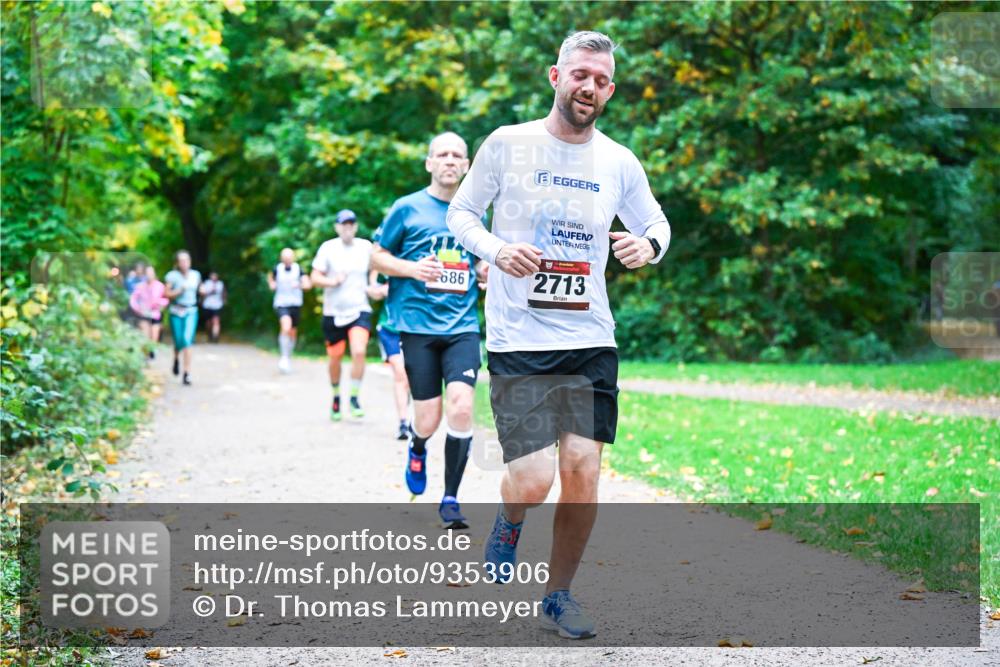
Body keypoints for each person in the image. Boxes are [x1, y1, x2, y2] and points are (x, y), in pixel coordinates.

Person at [447, 31, 671, 638]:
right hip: (519, 337)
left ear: (611, 89)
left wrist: (646, 246)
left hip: (590, 336)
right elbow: (461, 214)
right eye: (580, 75)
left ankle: (558, 594)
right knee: (534, 478)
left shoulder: (618, 161)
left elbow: (656, 222)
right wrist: (497, 249)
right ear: (555, 76)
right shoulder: (507, 144)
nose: (589, 88)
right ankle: (511, 516)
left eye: (601, 80)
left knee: (582, 468)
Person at [371, 131, 488, 529]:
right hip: (417, 328)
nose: (450, 160)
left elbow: (477, 264)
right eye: (442, 154)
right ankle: (418, 447)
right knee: (428, 419)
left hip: (462, 327)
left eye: (458, 154)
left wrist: (485, 272)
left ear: (467, 165)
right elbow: (377, 255)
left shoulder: (475, 213)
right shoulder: (406, 209)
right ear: (429, 163)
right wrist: (411, 268)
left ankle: (451, 499)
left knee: (461, 406)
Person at [310, 210, 374, 421]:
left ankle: (354, 397)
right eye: (343, 224)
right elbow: (314, 277)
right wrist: (332, 281)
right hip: (333, 312)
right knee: (335, 358)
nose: (347, 227)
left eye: (351, 224)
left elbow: (377, 266)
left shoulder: (365, 246)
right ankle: (336, 395)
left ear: (355, 226)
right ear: (337, 227)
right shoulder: (328, 248)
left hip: (359, 309)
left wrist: (373, 284)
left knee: (359, 351)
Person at [369, 277, 411, 440]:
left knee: (412, 375)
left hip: (414, 328)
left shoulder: (421, 258)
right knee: (400, 373)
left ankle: (414, 418)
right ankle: (403, 423)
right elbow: (373, 291)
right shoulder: (386, 263)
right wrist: (381, 290)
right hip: (389, 328)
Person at [268, 248, 312, 374]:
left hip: (295, 304)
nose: (286, 260)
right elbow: (271, 278)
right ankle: (284, 357)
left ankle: (288, 356)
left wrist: (299, 285)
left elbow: (308, 284)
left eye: (289, 257)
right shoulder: (277, 268)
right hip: (281, 303)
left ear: (293, 258)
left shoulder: (299, 269)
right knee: (285, 327)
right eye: (284, 258)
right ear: (281, 258)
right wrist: (272, 284)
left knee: (292, 332)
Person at [164, 250, 203, 385]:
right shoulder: (172, 276)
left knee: (187, 340)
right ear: (177, 263)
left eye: (186, 260)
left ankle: (187, 373)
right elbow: (166, 294)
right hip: (176, 310)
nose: (184, 263)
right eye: (181, 261)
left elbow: (200, 289)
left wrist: (203, 291)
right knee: (179, 340)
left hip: (191, 310)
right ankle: (176, 359)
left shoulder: (195, 275)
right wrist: (179, 291)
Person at [129, 265, 169, 359]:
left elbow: (166, 299)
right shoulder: (139, 286)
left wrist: (160, 304)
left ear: (154, 274)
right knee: (145, 336)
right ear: (144, 274)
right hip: (143, 314)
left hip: (155, 315)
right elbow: (133, 299)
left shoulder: (160, 286)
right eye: (147, 273)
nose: (149, 275)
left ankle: (152, 350)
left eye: (151, 273)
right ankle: (145, 355)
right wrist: (137, 309)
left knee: (154, 336)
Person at [199, 271, 226, 343]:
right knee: (208, 322)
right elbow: (202, 293)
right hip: (207, 305)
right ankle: (209, 334)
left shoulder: (220, 284)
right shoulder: (207, 283)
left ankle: (215, 337)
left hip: (217, 305)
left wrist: (224, 301)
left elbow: (223, 293)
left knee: (216, 321)